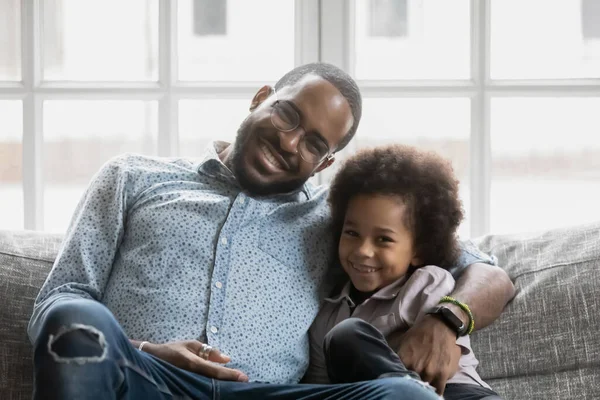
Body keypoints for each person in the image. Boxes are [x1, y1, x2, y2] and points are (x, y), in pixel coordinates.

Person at [28, 63, 514, 400]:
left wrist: (448, 321)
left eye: (314, 143)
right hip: (139, 379)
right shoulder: (132, 178)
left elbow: (488, 273)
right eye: (287, 115)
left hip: (264, 396)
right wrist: (144, 351)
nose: (288, 141)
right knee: (72, 315)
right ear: (262, 98)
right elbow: (62, 298)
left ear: (324, 162)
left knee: (398, 395)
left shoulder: (339, 221)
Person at [303, 145, 502, 400]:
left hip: (457, 394)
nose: (363, 250)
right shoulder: (327, 316)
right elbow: (324, 391)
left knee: (347, 335)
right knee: (345, 336)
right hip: (382, 394)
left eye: (383, 239)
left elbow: (443, 361)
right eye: (352, 233)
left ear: (418, 249)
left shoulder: (428, 282)